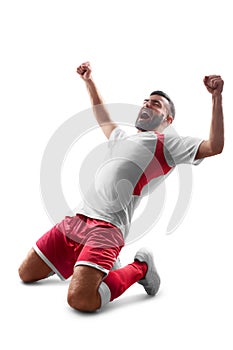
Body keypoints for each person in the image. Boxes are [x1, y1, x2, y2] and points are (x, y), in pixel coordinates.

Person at [18, 62, 224, 312]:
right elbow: (100, 113)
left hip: (108, 229)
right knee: (26, 273)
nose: (147, 104)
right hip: (77, 220)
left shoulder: (167, 144)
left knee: (81, 300)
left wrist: (216, 97)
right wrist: (89, 81)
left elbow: (214, 146)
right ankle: (93, 261)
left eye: (156, 104)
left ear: (168, 120)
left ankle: (141, 268)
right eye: (146, 101)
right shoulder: (121, 138)